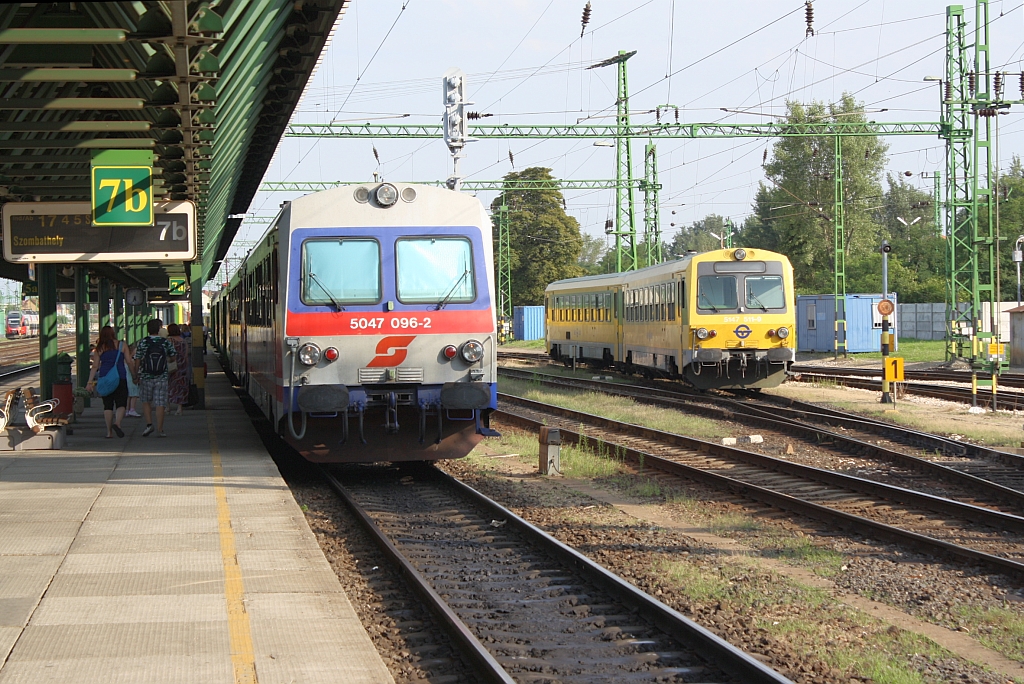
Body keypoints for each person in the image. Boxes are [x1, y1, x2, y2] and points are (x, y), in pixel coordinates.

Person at [131, 318, 176, 438]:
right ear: (158, 329)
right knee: (160, 403)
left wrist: (135, 374)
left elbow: (137, 359)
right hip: (162, 376)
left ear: (148, 329)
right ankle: (160, 430)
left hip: (146, 376)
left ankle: (149, 424)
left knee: (146, 401)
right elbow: (173, 357)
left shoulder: (143, 342)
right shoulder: (165, 342)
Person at [86, 326, 129, 439]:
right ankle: (118, 423)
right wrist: (134, 374)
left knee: (108, 405)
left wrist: (90, 382)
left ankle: (109, 432)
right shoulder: (121, 345)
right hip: (120, 377)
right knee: (121, 404)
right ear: (113, 333)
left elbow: (95, 366)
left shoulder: (100, 348)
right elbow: (129, 361)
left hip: (105, 378)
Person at [166, 323, 192, 415]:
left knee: (168, 386)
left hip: (171, 366)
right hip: (182, 367)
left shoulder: (168, 341)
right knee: (181, 387)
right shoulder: (183, 341)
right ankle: (179, 408)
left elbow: (166, 354)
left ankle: (168, 407)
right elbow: (185, 355)